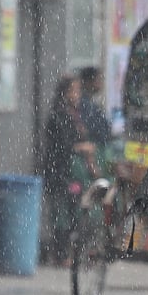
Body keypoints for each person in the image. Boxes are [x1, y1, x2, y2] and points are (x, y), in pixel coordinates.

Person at [39, 74, 97, 265]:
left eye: (78, 91)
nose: (77, 95)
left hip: (72, 175)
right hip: (60, 173)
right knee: (61, 215)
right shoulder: (58, 115)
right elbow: (62, 145)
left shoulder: (75, 115)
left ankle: (68, 251)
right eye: (74, 91)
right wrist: (81, 147)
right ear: (64, 93)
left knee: (74, 212)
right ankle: (61, 254)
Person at [77, 66, 113, 150]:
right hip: (93, 148)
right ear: (88, 82)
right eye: (98, 79)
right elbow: (94, 127)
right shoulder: (85, 104)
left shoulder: (90, 103)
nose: (101, 83)